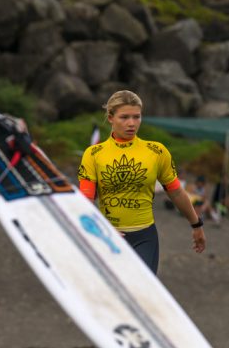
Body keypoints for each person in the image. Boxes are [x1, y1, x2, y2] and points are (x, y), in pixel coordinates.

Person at [78, 90, 206, 274]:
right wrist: (100, 229)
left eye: (136, 117)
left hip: (144, 238)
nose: (131, 123)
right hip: (107, 237)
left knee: (140, 295)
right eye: (124, 117)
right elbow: (85, 200)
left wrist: (196, 225)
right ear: (111, 117)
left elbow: (176, 192)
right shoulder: (93, 154)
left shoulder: (156, 151)